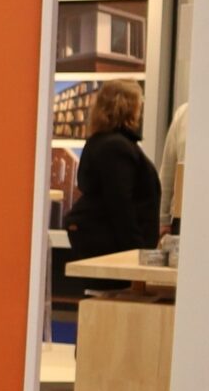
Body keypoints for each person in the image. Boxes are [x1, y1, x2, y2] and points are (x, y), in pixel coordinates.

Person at [65, 81, 160, 259]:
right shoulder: (116, 147)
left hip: (103, 240)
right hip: (113, 245)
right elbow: (120, 203)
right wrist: (135, 250)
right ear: (129, 108)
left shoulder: (100, 142)